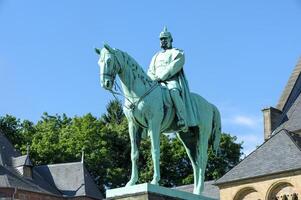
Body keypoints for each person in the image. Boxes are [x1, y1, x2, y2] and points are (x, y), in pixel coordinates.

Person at [147, 27, 197, 132]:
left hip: (170, 81)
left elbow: (173, 67)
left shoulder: (177, 52)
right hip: (155, 83)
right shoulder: (155, 56)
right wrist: (152, 78)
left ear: (171, 39)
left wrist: (161, 77)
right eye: (161, 39)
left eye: (165, 38)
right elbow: (150, 70)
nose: (163, 41)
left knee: (174, 92)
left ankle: (182, 118)